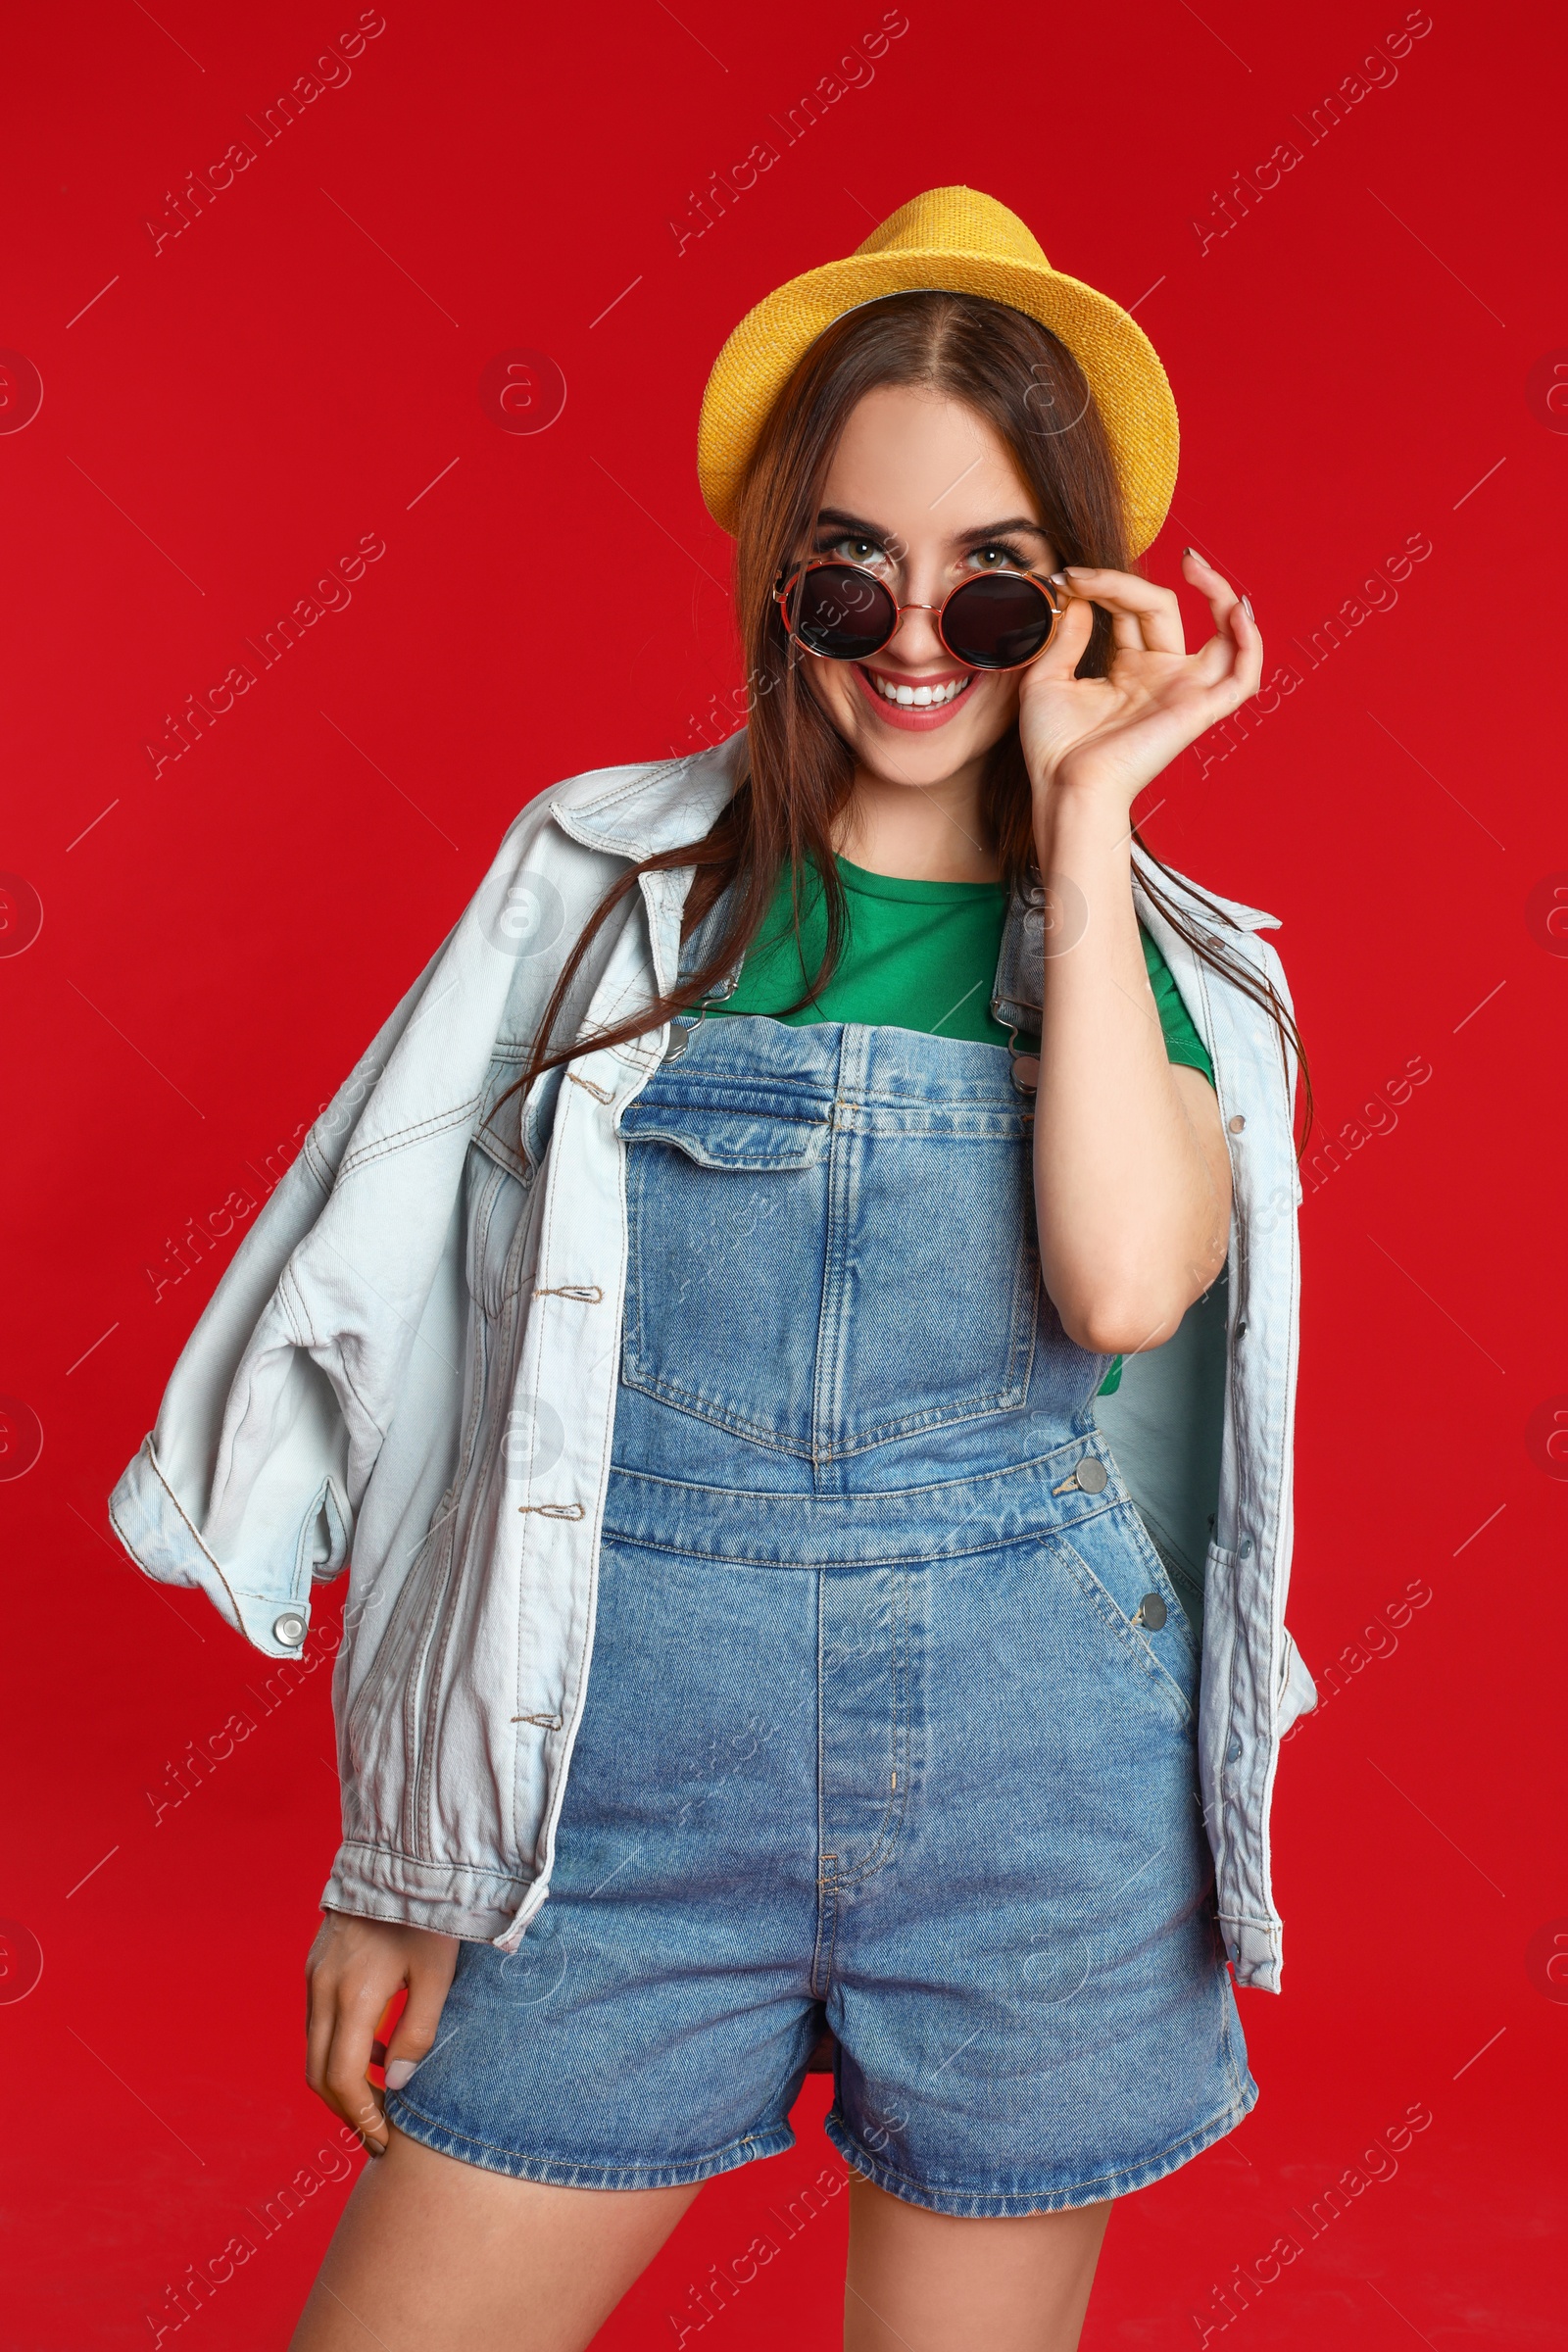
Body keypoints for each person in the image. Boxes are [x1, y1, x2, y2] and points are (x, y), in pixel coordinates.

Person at [111, 187, 1317, 2352]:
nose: (918, 636)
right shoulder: (588, 890)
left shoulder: (1168, 972)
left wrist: (1092, 818)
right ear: (782, 584)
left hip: (1039, 1818)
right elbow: (434, 1400)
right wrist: (398, 1848)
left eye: (994, 584)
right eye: (855, 568)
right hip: (610, 1804)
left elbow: (1125, 1288)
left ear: (1079, 605)